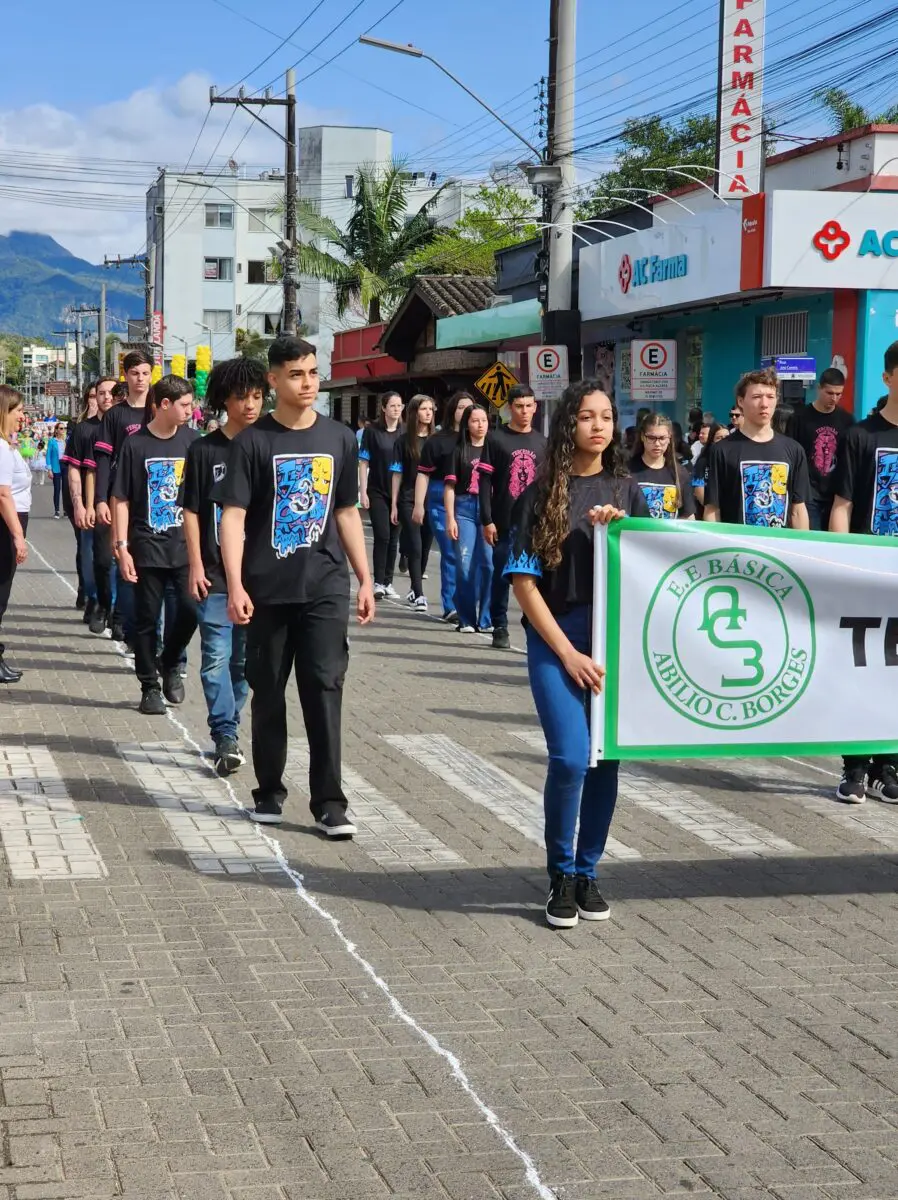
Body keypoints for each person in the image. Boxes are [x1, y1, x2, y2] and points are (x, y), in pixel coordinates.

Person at [505, 381, 650, 929]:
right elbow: (523, 582)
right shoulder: (541, 492)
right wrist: (566, 654)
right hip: (557, 641)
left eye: (607, 416)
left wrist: (626, 532)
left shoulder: (628, 491)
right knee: (570, 757)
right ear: (568, 425)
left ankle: (588, 872)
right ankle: (560, 873)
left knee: (605, 759)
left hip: (613, 642)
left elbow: (653, 570)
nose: (598, 425)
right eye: (586, 416)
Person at [215, 336, 375, 831]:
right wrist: (237, 585)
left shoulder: (340, 438)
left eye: (312, 373)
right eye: (296, 375)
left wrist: (366, 578)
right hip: (267, 589)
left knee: (325, 688)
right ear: (274, 380)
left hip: (325, 585)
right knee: (267, 691)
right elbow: (233, 518)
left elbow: (346, 512)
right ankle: (269, 792)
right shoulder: (252, 442)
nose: (307, 383)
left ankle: (330, 802)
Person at [184, 358, 264, 774]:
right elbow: (193, 512)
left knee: (244, 664)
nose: (249, 405)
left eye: (256, 396)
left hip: (260, 578)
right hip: (214, 577)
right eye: (240, 397)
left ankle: (229, 723)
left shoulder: (270, 445)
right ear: (223, 400)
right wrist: (196, 564)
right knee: (215, 656)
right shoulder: (203, 450)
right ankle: (225, 733)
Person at [829, 342, 898, 804]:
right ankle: (855, 765)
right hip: (867, 570)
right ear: (889, 376)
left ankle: (888, 766)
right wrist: (840, 566)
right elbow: (842, 505)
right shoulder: (861, 435)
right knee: (861, 667)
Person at [112, 376, 199, 715]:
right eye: (185, 405)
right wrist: (122, 547)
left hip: (185, 548)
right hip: (146, 547)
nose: (191, 411)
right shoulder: (136, 445)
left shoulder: (194, 442)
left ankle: (171, 661)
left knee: (190, 612)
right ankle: (149, 685)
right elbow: (121, 498)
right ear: (164, 404)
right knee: (146, 620)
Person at [92, 349, 153, 647]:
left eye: (145, 373)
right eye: (134, 373)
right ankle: (120, 619)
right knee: (119, 557)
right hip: (122, 497)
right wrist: (100, 498)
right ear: (125, 376)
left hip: (155, 499)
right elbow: (103, 459)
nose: (140, 379)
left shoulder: (160, 409)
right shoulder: (116, 415)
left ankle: (147, 628)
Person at [480, 384, 547, 649]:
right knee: (501, 576)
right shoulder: (496, 439)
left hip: (534, 523)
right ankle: (499, 625)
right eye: (519, 406)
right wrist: (487, 519)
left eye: (529, 405)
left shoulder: (543, 442)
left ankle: (533, 621)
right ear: (510, 408)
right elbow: (485, 482)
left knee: (536, 577)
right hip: (504, 521)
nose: (525, 411)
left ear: (535, 407)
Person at [704, 369, 810, 529]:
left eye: (770, 397)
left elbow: (798, 510)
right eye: (756, 397)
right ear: (740, 401)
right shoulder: (722, 451)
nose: (764, 404)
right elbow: (712, 510)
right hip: (738, 550)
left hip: (778, 549)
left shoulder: (794, 450)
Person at [413, 390, 474, 622]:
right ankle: (451, 606)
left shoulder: (481, 439)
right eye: (461, 408)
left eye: (470, 408)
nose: (466, 413)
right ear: (452, 412)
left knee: (472, 557)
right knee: (451, 553)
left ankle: (469, 603)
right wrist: (419, 504)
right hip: (439, 498)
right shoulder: (437, 441)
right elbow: (423, 475)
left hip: (470, 499)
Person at [445, 404, 494, 634]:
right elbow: (450, 488)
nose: (480, 425)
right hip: (464, 508)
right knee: (464, 564)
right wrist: (450, 518)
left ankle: (486, 618)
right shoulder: (459, 451)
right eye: (475, 421)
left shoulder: (494, 449)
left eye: (483, 420)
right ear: (467, 424)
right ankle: (466, 618)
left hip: (489, 511)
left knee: (489, 564)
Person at [786, 368, 853, 531]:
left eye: (839, 394)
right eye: (829, 393)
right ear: (819, 388)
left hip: (836, 495)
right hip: (808, 493)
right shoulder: (799, 418)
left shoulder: (847, 420)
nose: (834, 398)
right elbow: (791, 455)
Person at [63, 380, 106, 625]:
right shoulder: (83, 430)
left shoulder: (123, 427)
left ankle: (110, 606)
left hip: (116, 505)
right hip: (87, 505)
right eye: (95, 395)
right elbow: (75, 469)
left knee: (110, 558)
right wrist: (79, 504)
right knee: (88, 552)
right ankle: (91, 595)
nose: (101, 399)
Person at [390, 394, 435, 611]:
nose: (428, 413)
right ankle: (419, 593)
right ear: (415, 412)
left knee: (426, 544)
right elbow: (397, 474)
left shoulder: (436, 440)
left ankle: (413, 586)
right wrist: (394, 503)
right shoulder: (403, 441)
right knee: (416, 545)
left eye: (431, 409)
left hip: (432, 499)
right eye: (424, 409)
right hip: (408, 498)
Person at [0, 387, 31, 683]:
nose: (22, 416)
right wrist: (18, 535)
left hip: (11, 522)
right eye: (18, 410)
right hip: (6, 525)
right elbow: (3, 494)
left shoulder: (5, 445)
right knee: (0, 593)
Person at [359, 391, 403, 601]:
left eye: (399, 406)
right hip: (377, 490)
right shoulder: (372, 432)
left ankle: (388, 581)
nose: (396, 409)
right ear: (384, 408)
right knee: (382, 535)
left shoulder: (405, 433)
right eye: (392, 405)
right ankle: (377, 582)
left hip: (400, 493)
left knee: (394, 537)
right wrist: (362, 491)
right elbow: (364, 462)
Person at [630, 412, 696, 520]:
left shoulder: (680, 472)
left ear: (669, 438)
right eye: (651, 438)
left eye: (662, 438)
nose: (657, 444)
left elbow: (688, 516)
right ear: (642, 437)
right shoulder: (628, 470)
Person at [691, 421, 726, 517]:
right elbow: (699, 490)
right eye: (719, 438)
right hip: (708, 512)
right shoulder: (703, 461)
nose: (723, 441)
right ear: (712, 440)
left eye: (726, 438)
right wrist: (711, 509)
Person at [46, 422, 65, 518]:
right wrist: (49, 469)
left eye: (64, 428)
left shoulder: (66, 441)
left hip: (65, 465)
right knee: (57, 489)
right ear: (56, 430)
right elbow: (48, 455)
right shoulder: (52, 441)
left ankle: (66, 510)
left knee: (66, 489)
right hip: (56, 466)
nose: (63, 430)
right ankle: (57, 510)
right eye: (61, 428)